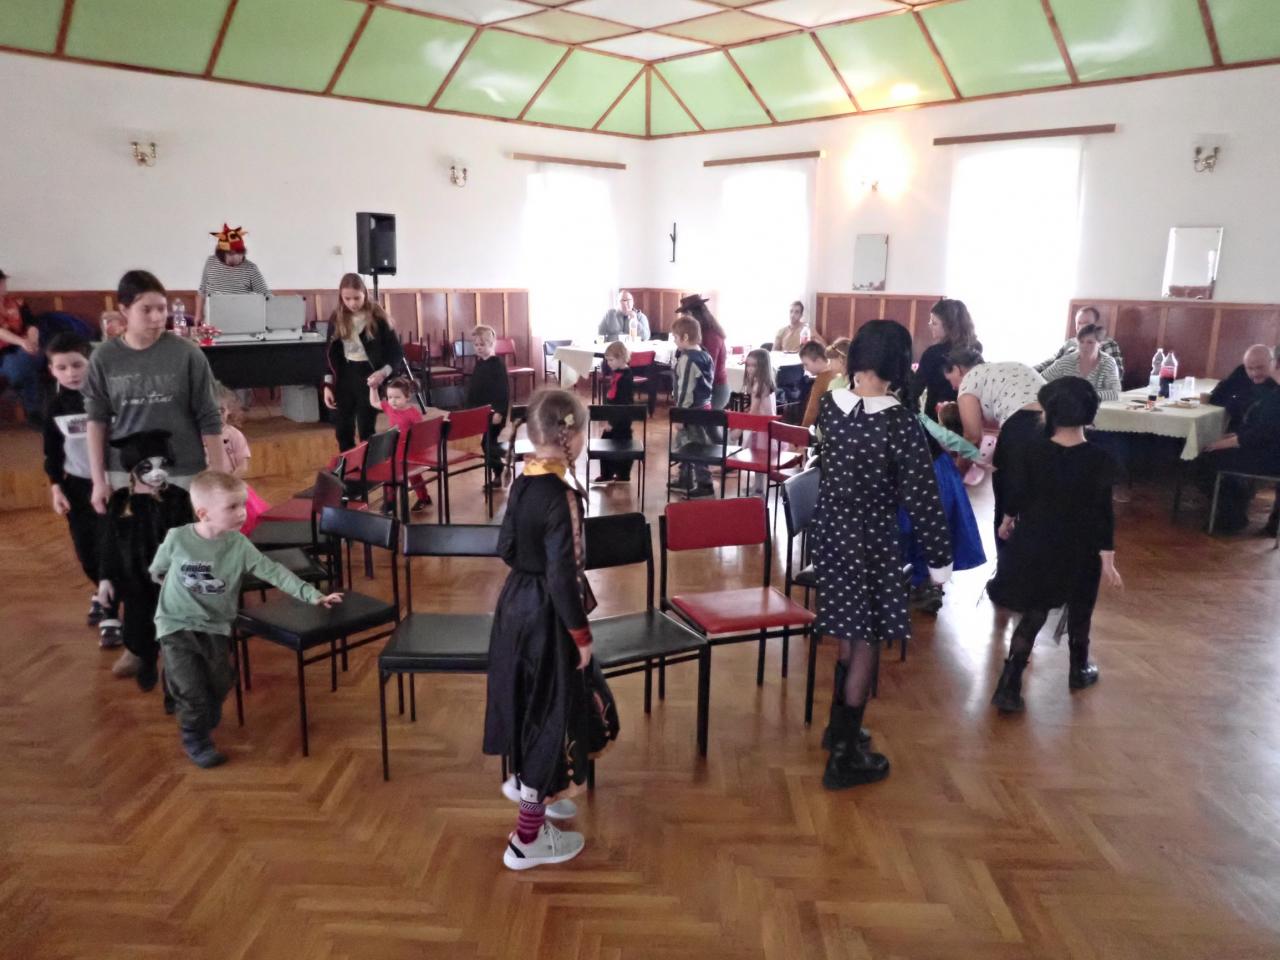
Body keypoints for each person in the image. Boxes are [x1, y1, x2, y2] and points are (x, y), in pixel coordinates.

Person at [811, 319, 951, 790]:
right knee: (868, 637)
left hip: (831, 534)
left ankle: (838, 730)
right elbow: (923, 499)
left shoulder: (831, 406)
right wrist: (940, 564)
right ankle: (845, 757)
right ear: (898, 364)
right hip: (870, 540)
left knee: (848, 629)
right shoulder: (898, 422)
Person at [483, 389, 619, 870]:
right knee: (553, 715)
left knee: (530, 703)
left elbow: (505, 547)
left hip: (515, 607)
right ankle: (527, 839)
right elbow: (564, 576)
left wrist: (530, 572)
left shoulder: (523, 479)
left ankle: (539, 786)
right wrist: (581, 636)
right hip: (549, 617)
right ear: (572, 436)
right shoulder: (563, 495)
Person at [84, 270, 227, 688]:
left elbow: (209, 416)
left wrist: (218, 478)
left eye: (162, 308)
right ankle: (139, 645)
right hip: (128, 478)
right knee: (134, 568)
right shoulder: (105, 358)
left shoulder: (186, 354)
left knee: (184, 566)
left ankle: (189, 649)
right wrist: (98, 479)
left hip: (182, 475)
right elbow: (96, 422)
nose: (156, 317)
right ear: (124, 310)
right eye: (146, 309)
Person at [151, 470, 342, 767]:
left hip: (215, 624)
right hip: (175, 622)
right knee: (192, 691)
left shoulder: (238, 545)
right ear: (203, 513)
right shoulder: (178, 539)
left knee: (221, 680)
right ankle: (196, 738)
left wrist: (312, 594)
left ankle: (180, 687)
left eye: (242, 504)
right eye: (232, 507)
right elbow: (158, 568)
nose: (242, 512)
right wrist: (165, 582)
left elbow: (273, 571)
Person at [986, 377, 1123, 713]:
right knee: (1080, 610)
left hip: (1037, 542)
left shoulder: (1032, 451)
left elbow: (1017, 493)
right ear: (1090, 416)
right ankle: (1079, 669)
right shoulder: (1099, 459)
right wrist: (1107, 557)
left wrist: (1007, 520)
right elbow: (1103, 513)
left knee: (1034, 611)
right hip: (1081, 548)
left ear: (1048, 413)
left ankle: (1009, 683)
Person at [43, 332, 117, 642]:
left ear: (91, 363)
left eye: (77, 365)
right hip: (77, 485)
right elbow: (52, 450)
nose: (71, 373)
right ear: (52, 370)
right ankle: (100, 590)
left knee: (111, 545)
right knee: (86, 549)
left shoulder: (108, 397)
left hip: (113, 485)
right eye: (62, 368)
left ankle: (111, 612)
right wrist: (56, 486)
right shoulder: (55, 405)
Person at [943, 350, 1045, 547]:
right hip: (1056, 425)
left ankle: (1006, 560)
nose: (954, 387)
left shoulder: (969, 380)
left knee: (1007, 496)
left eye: (951, 380)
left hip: (1021, 426)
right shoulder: (1010, 366)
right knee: (1039, 498)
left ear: (958, 369)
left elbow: (972, 437)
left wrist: (958, 474)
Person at [322, 273, 404, 452]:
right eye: (347, 299)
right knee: (342, 429)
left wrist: (383, 373)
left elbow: (396, 353)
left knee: (366, 427)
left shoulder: (377, 317)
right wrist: (327, 385)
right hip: (345, 374)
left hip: (369, 375)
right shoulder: (337, 317)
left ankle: (368, 465)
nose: (352, 303)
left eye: (357, 298)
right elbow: (329, 354)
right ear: (341, 297)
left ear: (365, 294)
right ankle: (348, 464)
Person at [1199, 364, 1280, 533]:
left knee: (1205, 459)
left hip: (1271, 458)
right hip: (1269, 450)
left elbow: (1261, 434)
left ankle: (1232, 517)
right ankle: (1237, 506)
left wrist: (1222, 443)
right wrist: (1235, 436)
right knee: (1215, 453)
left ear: (1275, 365)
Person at [367, 375, 441, 511]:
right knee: (390, 473)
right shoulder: (389, 407)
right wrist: (373, 388)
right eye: (390, 397)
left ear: (407, 397)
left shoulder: (413, 414)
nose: (393, 401)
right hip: (394, 448)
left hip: (410, 449)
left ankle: (424, 498)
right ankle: (390, 501)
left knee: (413, 475)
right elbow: (374, 402)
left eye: (397, 397)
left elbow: (421, 433)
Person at [908, 297, 981, 422]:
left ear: (949, 327)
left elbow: (914, 392)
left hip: (937, 420)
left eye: (934, 323)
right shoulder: (975, 350)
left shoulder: (933, 353)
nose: (930, 325)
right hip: (969, 417)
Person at [668, 316, 715, 498]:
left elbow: (685, 389)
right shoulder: (706, 355)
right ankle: (685, 478)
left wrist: (680, 415)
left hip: (691, 411)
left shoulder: (688, 358)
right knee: (685, 443)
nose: (674, 340)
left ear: (685, 337)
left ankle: (705, 483)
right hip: (704, 406)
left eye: (675, 337)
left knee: (695, 447)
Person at [194, 225, 270, 326]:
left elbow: (267, 296)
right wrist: (198, 315)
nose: (236, 257)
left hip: (240, 322)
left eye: (239, 253)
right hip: (212, 323)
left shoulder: (251, 268)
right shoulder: (211, 262)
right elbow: (202, 291)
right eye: (230, 254)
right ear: (221, 253)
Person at [465, 324, 510, 488]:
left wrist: (499, 411)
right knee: (488, 444)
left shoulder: (497, 364)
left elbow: (503, 390)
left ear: (491, 344)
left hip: (495, 413)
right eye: (476, 345)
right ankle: (500, 469)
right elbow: (475, 389)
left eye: (482, 344)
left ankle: (499, 471)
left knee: (487, 444)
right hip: (481, 413)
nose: (478, 348)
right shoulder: (479, 364)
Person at [0, 267, 46, 426]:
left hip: (25, 350)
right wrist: (22, 342)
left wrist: (32, 341)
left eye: (3, 281)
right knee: (23, 365)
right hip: (3, 355)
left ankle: (23, 399)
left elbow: (32, 324)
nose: (3, 285)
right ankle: (33, 411)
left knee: (28, 359)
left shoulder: (18, 302)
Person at [1035, 306, 1125, 383]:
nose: (1082, 327)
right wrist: (1031, 370)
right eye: (1079, 323)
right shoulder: (1070, 343)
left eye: (1086, 323)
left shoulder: (1107, 344)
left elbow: (1116, 375)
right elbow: (1051, 361)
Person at [1039, 323, 1122, 401]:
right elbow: (1040, 380)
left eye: (1090, 342)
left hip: (1098, 409)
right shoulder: (1066, 361)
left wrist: (1084, 395)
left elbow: (1116, 393)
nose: (1084, 346)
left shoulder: (1108, 362)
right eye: (1081, 342)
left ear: (1100, 344)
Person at [593, 340, 635, 485]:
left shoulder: (625, 377)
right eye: (607, 360)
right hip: (615, 415)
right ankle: (611, 473)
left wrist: (612, 422)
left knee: (619, 445)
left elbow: (622, 402)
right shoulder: (618, 373)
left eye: (611, 360)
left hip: (621, 418)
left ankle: (618, 474)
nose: (608, 363)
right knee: (610, 444)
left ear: (621, 358)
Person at [1208, 344, 1277, 431]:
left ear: (1273, 363)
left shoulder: (1276, 384)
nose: (1255, 373)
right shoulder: (1241, 372)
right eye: (1250, 368)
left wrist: (1235, 402)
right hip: (1235, 429)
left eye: (1260, 367)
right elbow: (1217, 396)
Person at [677, 295, 728, 412]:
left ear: (691, 314)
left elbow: (708, 370)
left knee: (705, 422)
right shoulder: (702, 333)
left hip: (715, 388)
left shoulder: (711, 336)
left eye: (684, 315)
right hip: (706, 387)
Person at [216, 384, 251, 480]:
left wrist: (229, 481)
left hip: (230, 483)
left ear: (229, 409)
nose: (216, 416)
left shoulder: (234, 435)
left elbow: (243, 466)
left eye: (221, 410)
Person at [798, 339, 834, 429]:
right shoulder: (835, 373)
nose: (805, 368)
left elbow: (812, 410)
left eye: (806, 364)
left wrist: (803, 430)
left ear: (818, 361)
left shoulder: (821, 380)